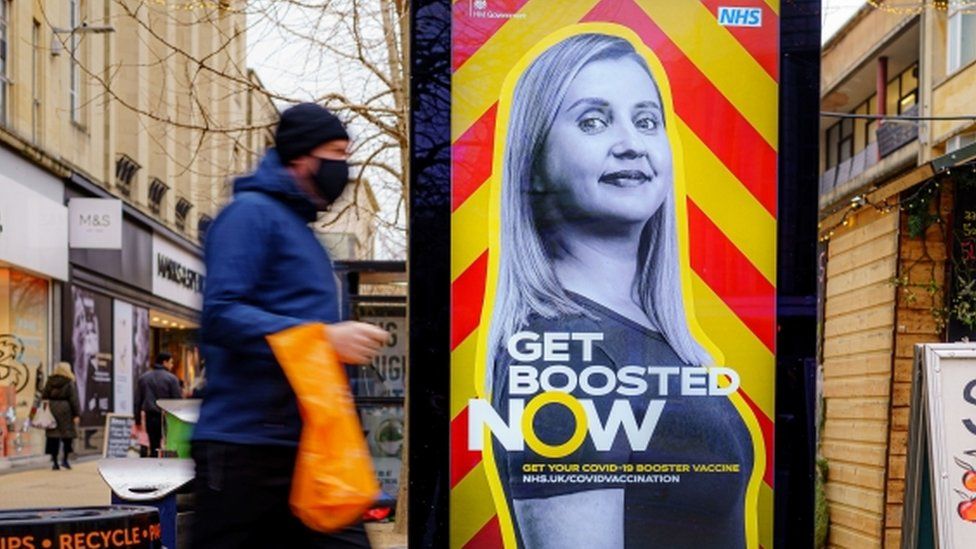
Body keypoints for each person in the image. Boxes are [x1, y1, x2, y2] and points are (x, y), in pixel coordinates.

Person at [487, 34, 754, 548]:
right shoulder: (561, 355)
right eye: (593, 121)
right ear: (535, 160)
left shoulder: (638, 330)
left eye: (647, 120)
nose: (631, 142)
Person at [191, 103, 389, 549]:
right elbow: (221, 314)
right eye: (337, 152)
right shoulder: (250, 216)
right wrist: (324, 339)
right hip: (246, 447)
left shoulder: (297, 228)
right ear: (302, 156)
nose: (345, 165)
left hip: (305, 444)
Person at [134, 352, 182, 458]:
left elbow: (138, 401)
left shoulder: (144, 378)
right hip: (168, 416)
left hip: (150, 416)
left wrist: (137, 419)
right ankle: (167, 467)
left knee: (153, 444)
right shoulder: (172, 379)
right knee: (169, 443)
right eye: (171, 363)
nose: (172, 365)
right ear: (164, 362)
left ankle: (154, 466)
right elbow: (177, 400)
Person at [41, 362, 80, 470]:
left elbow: (44, 395)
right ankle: (65, 460)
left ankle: (54, 462)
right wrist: (76, 414)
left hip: (52, 409)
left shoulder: (50, 381)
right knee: (67, 436)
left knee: (53, 436)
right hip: (66, 410)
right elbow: (74, 399)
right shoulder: (69, 382)